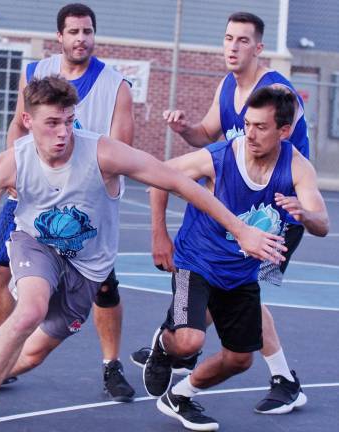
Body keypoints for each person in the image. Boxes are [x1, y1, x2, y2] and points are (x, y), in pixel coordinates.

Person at [0, 76, 286, 432]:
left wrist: (240, 229)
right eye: (52, 122)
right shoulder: (9, 164)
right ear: (29, 122)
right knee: (29, 309)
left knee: (32, 356)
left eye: (69, 120)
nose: (64, 131)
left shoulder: (102, 153)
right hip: (37, 245)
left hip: (88, 267)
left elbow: (180, 183)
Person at [131, 11, 311, 414]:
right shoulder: (228, 86)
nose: (232, 46)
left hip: (275, 211)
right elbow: (207, 134)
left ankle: (283, 377)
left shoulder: (277, 95)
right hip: (236, 210)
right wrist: (185, 130)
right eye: (228, 38)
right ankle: (180, 339)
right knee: (227, 286)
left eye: (242, 40)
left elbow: (286, 159)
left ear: (259, 47)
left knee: (245, 290)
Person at [142, 87, 329, 431]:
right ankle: (164, 344)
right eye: (247, 124)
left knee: (240, 359)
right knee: (189, 342)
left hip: (240, 274)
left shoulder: (297, 168)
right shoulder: (220, 156)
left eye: (261, 126)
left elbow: (323, 223)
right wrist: (159, 235)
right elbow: (158, 177)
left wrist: (304, 213)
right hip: (196, 261)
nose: (250, 133)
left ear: (284, 131)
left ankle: (179, 396)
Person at [0, 2, 136, 402]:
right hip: (34, 189)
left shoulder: (115, 85)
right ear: (60, 37)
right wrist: (15, 167)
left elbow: (122, 151)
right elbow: (19, 122)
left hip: (83, 203)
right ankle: (4, 354)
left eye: (87, 32)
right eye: (73, 32)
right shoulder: (36, 72)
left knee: (104, 287)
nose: (81, 39)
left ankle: (111, 364)